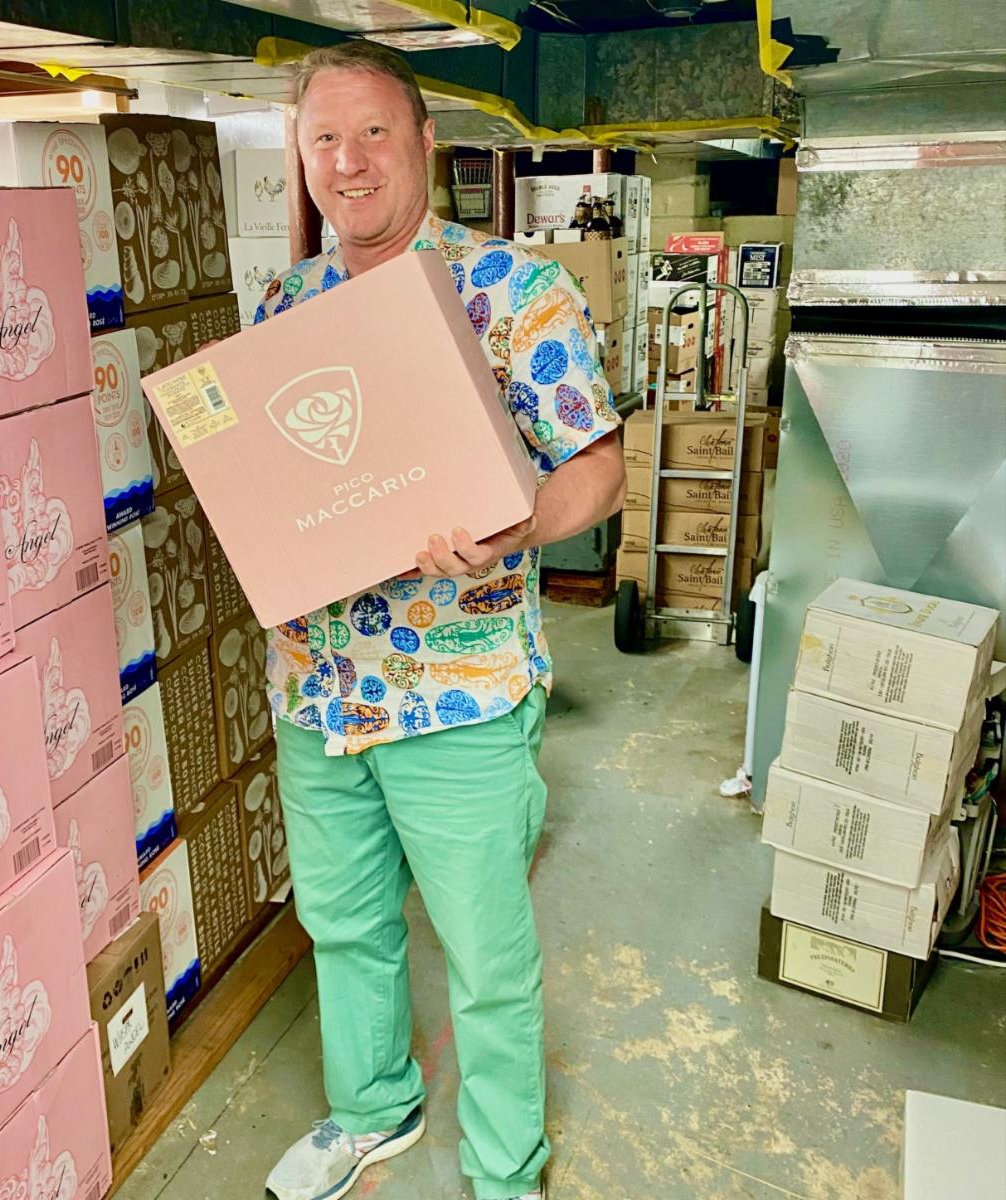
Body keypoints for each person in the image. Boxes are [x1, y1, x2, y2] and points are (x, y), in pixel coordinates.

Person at [255, 41, 626, 1200]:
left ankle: (507, 1169)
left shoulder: (512, 289)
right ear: (303, 159)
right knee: (347, 923)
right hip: (320, 690)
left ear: (425, 144)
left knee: (484, 952)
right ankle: (373, 1109)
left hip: (457, 690)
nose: (349, 162)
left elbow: (599, 469)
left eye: (373, 133)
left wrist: (515, 530)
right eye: (326, 139)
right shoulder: (285, 306)